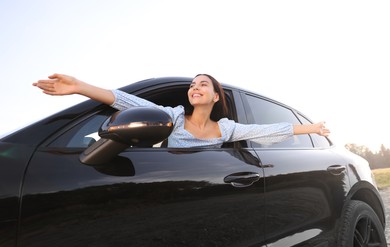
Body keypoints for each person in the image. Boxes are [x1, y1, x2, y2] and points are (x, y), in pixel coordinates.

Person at [33, 73, 330, 148]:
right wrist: (79, 86)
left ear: (216, 96)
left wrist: (313, 129)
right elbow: (127, 102)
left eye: (203, 84)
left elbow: (265, 130)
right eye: (192, 85)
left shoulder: (225, 129)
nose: (195, 88)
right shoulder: (173, 117)